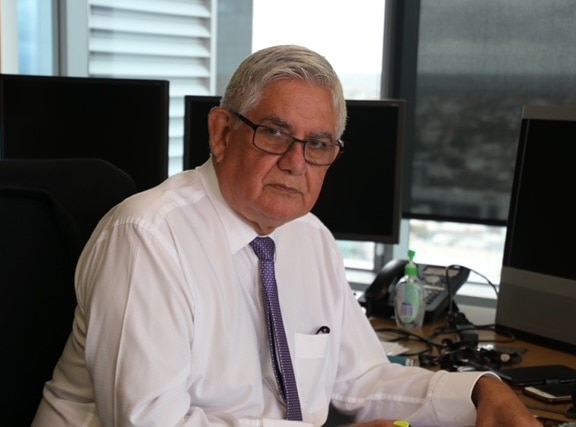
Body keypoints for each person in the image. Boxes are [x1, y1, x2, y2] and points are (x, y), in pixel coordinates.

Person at [32, 45, 541, 427]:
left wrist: (478, 390)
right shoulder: (147, 237)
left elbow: (360, 379)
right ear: (221, 133)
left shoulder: (310, 239)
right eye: (275, 132)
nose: (296, 162)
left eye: (318, 143)